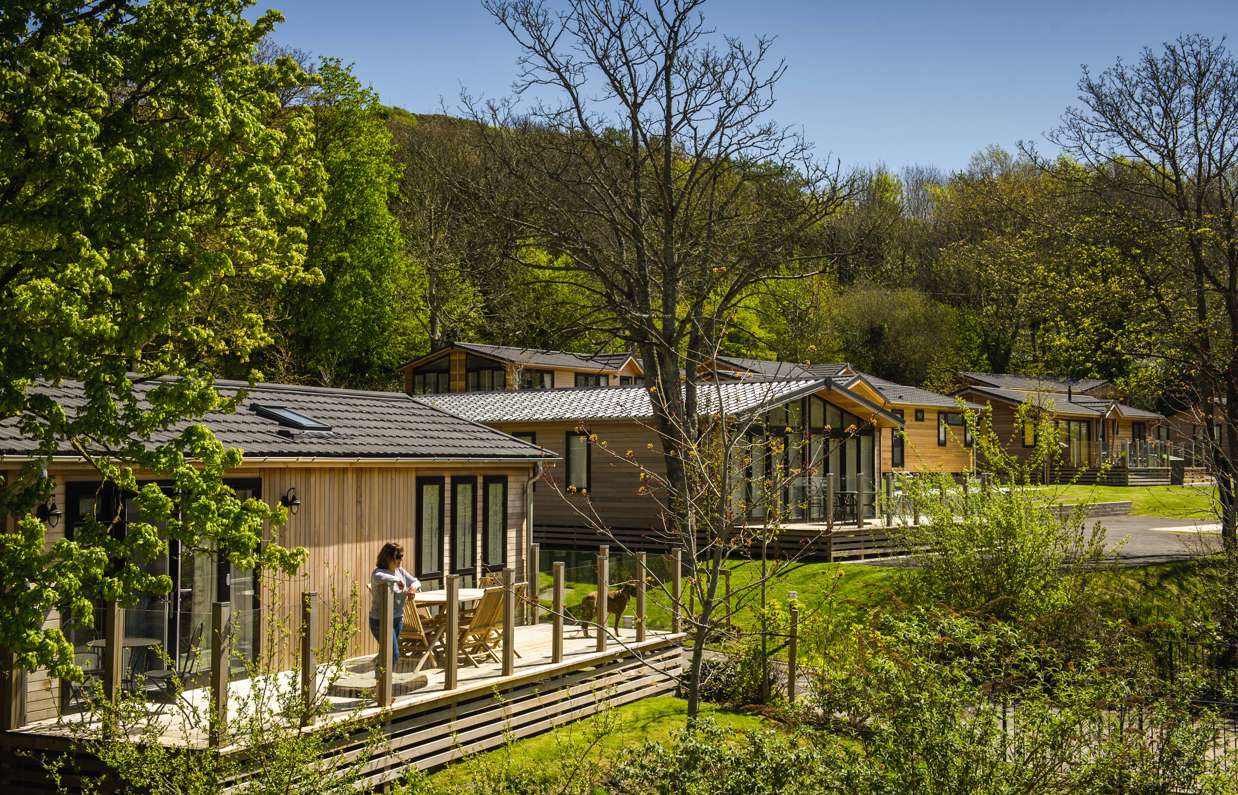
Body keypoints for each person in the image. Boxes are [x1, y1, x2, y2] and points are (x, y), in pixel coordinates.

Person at [370, 542, 419, 666]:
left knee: (387, 652)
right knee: (393, 654)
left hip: (397, 619)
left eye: (401, 556)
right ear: (388, 557)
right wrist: (397, 580)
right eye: (398, 557)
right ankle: (385, 683)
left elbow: (416, 581)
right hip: (380, 621)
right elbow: (380, 577)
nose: (400, 560)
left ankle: (380, 679)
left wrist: (413, 588)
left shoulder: (400, 571)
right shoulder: (378, 572)